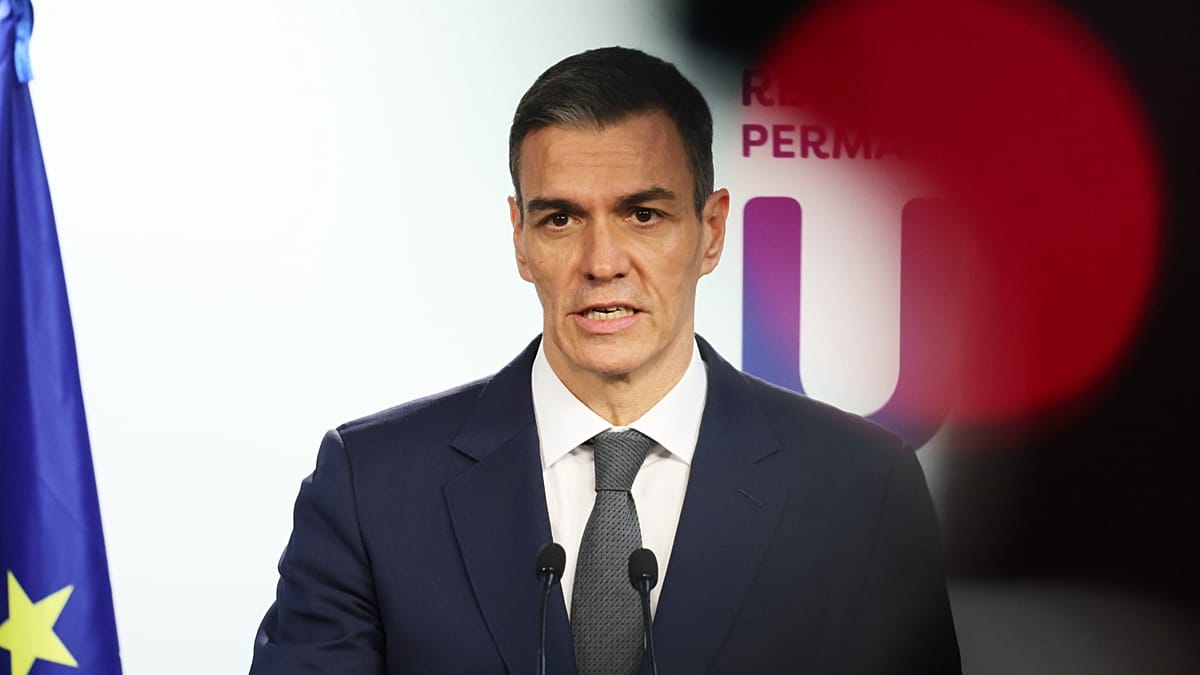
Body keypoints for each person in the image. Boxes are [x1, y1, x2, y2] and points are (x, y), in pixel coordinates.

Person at [250, 46, 960, 674]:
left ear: (711, 231)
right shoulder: (371, 485)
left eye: (642, 215)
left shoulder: (861, 489)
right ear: (520, 238)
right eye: (561, 218)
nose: (601, 262)